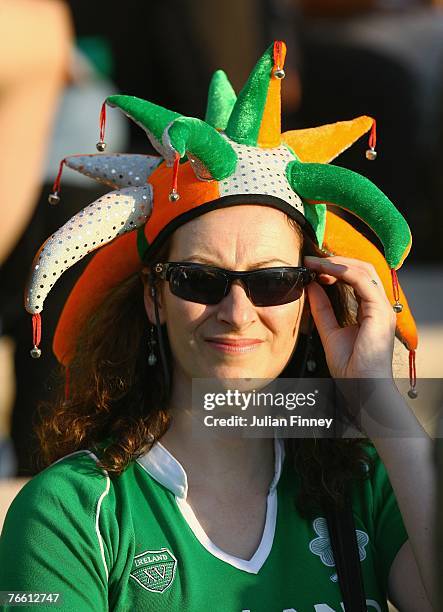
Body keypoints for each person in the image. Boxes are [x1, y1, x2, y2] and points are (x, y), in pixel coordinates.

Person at [0, 42, 436, 611]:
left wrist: (376, 399)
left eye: (274, 280)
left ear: (311, 296)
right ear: (154, 297)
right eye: (198, 280)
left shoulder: (366, 481)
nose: (236, 311)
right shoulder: (70, 513)